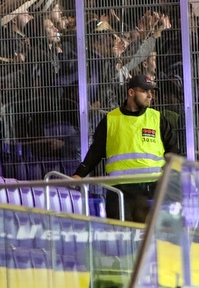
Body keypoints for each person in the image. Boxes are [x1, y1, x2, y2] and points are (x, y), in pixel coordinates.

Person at [72, 74, 178, 222]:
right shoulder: (110, 120)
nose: (150, 96)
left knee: (148, 238)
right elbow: (95, 152)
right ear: (131, 92)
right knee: (120, 236)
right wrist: (79, 174)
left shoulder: (158, 119)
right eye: (145, 91)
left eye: (151, 92)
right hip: (119, 191)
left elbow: (173, 152)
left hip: (151, 190)